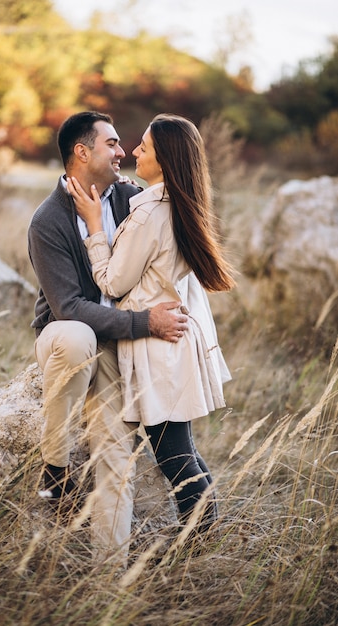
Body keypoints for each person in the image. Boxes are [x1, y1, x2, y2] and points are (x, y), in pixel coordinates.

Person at [27, 111, 188, 564]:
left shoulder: (133, 201)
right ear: (82, 152)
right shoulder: (48, 220)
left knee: (116, 454)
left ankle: (108, 573)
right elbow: (69, 307)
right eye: (113, 143)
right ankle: (55, 466)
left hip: (117, 345)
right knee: (78, 335)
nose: (123, 152)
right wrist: (145, 323)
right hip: (63, 337)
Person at [67, 113, 236, 534]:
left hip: (158, 344)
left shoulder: (150, 215)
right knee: (179, 446)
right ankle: (203, 532)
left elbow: (112, 280)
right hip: (171, 341)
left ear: (164, 160)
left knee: (173, 451)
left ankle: (199, 538)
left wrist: (93, 227)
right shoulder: (179, 204)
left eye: (144, 146)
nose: (135, 152)